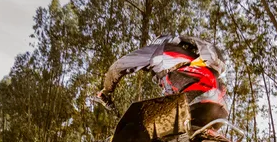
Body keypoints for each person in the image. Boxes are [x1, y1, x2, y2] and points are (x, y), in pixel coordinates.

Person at [96, 35, 229, 129]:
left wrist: (107, 90)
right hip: (220, 111)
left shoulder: (159, 50)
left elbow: (119, 66)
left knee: (137, 125)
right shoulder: (197, 60)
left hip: (190, 102)